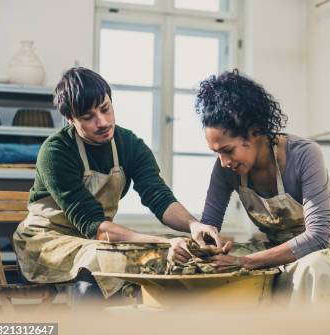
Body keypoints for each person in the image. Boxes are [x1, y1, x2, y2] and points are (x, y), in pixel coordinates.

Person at [13, 67, 225, 299]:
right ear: (70, 119)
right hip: (46, 242)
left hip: (93, 241)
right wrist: (163, 243)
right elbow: (95, 226)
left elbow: (158, 196)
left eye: (105, 109)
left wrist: (193, 225)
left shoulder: (129, 144)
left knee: (161, 258)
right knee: (106, 260)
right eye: (87, 117)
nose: (102, 122)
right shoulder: (55, 152)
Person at [195, 70, 330, 303]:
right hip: (282, 248)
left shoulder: (304, 154)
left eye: (228, 150)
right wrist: (203, 244)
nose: (223, 161)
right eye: (216, 153)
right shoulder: (225, 169)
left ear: (254, 131)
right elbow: (209, 225)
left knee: (316, 267)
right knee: (211, 269)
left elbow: (318, 238)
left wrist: (245, 262)